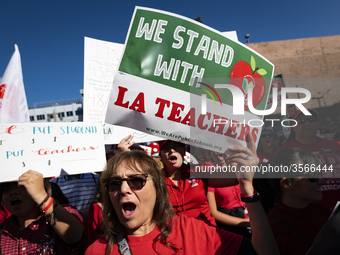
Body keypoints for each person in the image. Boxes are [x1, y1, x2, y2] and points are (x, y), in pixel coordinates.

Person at [85, 149, 279, 255]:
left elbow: (265, 252)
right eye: (114, 183)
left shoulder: (194, 233)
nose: (124, 189)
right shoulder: (97, 251)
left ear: (158, 189)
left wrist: (248, 190)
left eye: (137, 180)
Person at [260, 148, 331, 255]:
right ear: (287, 183)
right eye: (312, 176)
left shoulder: (323, 211)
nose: (322, 181)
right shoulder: (272, 229)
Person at [0, 170, 84, 254]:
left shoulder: (63, 213)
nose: (13, 192)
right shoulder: (4, 231)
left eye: (23, 187)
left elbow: (74, 236)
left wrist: (42, 197)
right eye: (7, 189)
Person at [279, 109, 340, 209]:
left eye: (311, 120)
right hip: (308, 215)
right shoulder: (284, 151)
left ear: (317, 123)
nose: (307, 123)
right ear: (293, 127)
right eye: (302, 121)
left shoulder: (334, 146)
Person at [207, 151, 251, 238]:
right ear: (211, 153)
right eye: (214, 150)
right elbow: (213, 213)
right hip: (231, 227)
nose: (219, 152)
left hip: (251, 217)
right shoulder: (210, 177)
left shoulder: (242, 170)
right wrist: (245, 223)